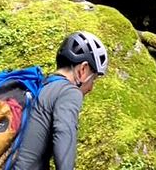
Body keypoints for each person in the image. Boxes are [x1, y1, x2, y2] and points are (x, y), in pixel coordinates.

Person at [13, 31, 109, 170]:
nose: (91, 88)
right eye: (93, 78)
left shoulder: (42, 86)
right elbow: (64, 138)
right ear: (83, 69)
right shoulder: (69, 92)